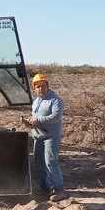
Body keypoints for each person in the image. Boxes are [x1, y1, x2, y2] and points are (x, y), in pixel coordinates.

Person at [27, 73, 66, 202]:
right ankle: (44, 188)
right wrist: (30, 122)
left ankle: (59, 190)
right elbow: (36, 118)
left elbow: (56, 117)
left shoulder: (55, 100)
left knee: (51, 162)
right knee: (39, 163)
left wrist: (37, 119)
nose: (40, 88)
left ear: (47, 85)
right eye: (37, 86)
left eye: (42, 86)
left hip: (50, 136)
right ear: (34, 88)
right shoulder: (36, 101)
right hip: (38, 136)